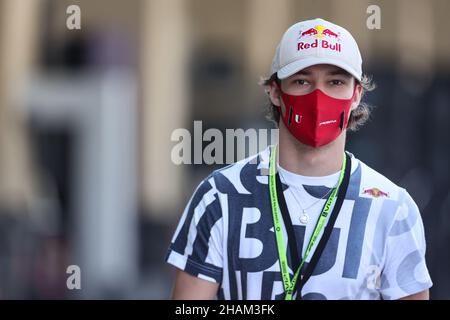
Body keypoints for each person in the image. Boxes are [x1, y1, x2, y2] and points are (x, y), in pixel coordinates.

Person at [165, 18, 433, 300]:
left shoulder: (392, 208)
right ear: (275, 91)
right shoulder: (220, 196)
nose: (319, 96)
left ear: (356, 95)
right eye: (302, 80)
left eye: (336, 81)